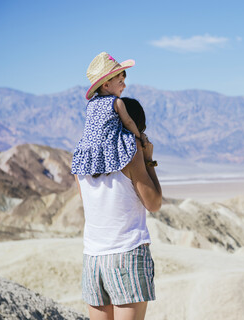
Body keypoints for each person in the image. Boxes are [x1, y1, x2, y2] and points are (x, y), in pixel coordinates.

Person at [74, 96, 162, 320]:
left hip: (93, 258)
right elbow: (154, 203)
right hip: (127, 254)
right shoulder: (132, 154)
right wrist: (148, 160)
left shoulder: (80, 157)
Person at [71, 52, 142, 176]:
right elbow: (128, 122)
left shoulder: (91, 103)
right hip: (107, 145)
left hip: (87, 147)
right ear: (106, 85)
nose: (124, 85)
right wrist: (140, 138)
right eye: (120, 81)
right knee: (128, 137)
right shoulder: (116, 102)